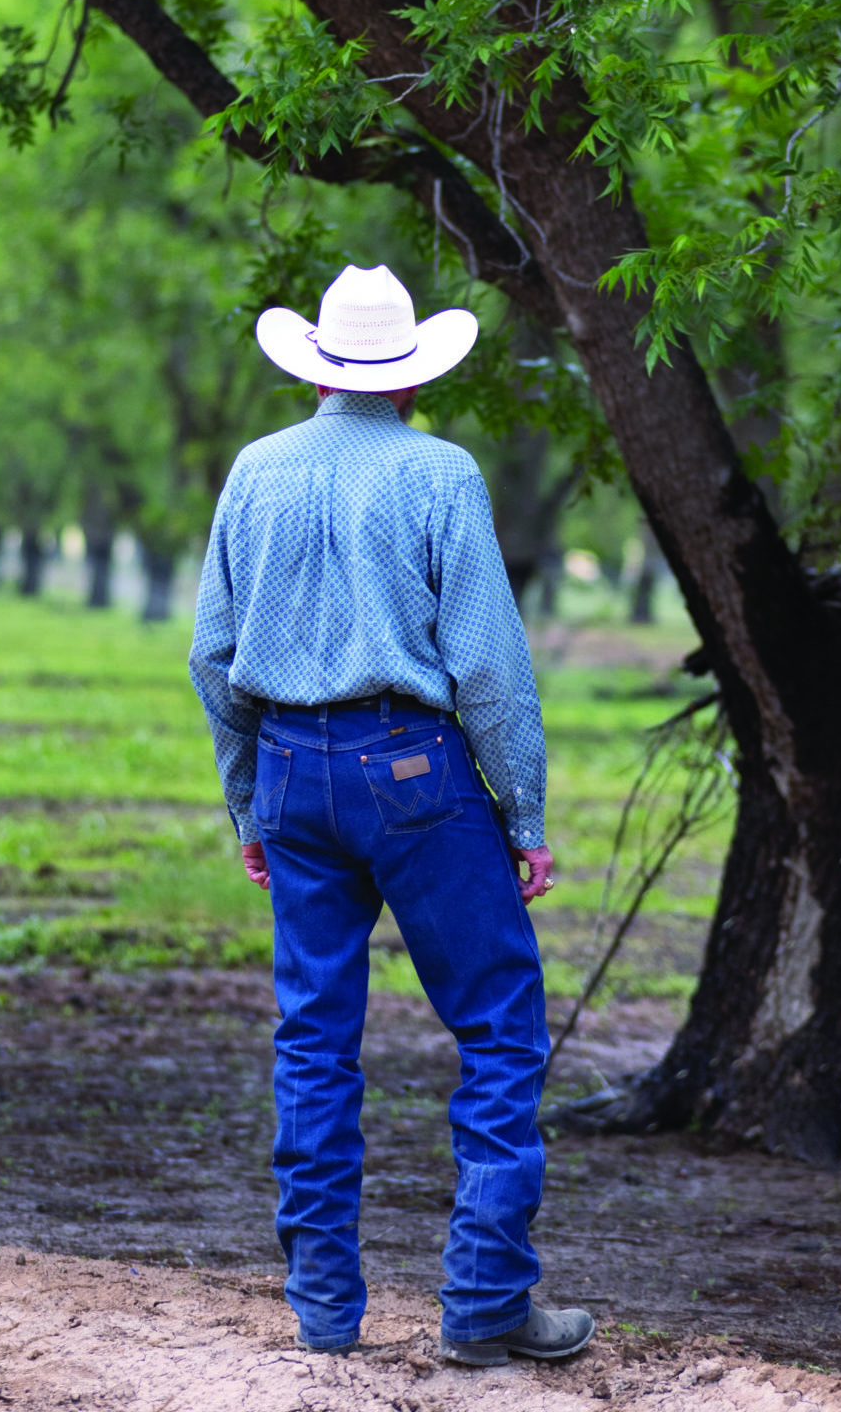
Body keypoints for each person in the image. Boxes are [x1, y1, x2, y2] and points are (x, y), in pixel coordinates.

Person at [189, 264, 592, 1367]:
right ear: (411, 378)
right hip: (414, 769)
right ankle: (486, 1302)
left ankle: (324, 1308)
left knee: (313, 1037)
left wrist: (248, 803)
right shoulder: (440, 471)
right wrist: (524, 814)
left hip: (289, 767)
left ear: (315, 371)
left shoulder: (254, 470)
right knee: (499, 1023)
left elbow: (214, 656)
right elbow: (487, 665)